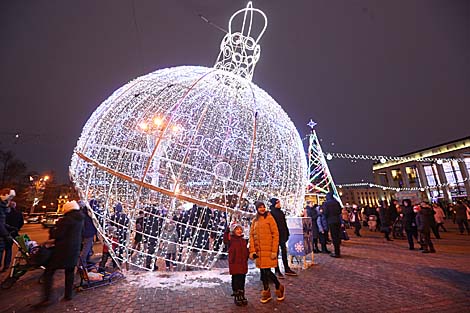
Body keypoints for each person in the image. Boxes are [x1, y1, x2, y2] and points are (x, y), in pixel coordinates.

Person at [34, 200, 84, 308]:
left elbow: (57, 235)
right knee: (69, 272)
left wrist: (53, 230)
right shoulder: (80, 219)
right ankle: (68, 295)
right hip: (74, 250)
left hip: (62, 251)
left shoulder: (66, 220)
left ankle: (47, 298)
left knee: (49, 272)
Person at [249, 201, 285, 303]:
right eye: (260, 207)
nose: (262, 209)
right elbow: (251, 236)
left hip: (268, 250)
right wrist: (252, 250)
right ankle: (266, 292)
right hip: (259, 251)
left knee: (267, 271)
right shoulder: (254, 221)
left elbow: (275, 234)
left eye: (263, 207)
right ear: (256, 209)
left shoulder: (269, 218)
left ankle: (278, 286)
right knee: (263, 272)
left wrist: (274, 250)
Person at [269, 198, 297, 277]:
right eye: (278, 203)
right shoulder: (271, 213)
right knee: (276, 253)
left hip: (282, 235)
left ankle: (286, 268)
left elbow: (284, 224)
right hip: (275, 236)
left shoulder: (281, 212)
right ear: (274, 204)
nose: (279, 204)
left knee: (284, 251)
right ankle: (277, 270)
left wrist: (287, 232)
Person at [223, 223, 249, 306]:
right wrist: (227, 229)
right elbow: (225, 239)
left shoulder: (243, 240)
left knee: (242, 279)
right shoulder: (231, 240)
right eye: (237, 229)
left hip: (242, 263)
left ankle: (242, 294)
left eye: (240, 229)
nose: (239, 231)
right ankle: (236, 295)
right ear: (233, 231)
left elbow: (246, 251)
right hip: (234, 263)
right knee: (236, 279)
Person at [1, 200, 23, 272]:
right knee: (8, 249)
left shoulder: (5, 213)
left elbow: (3, 223)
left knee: (1, 250)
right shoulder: (19, 214)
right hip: (13, 233)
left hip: (4, 233)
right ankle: (6, 265)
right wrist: (16, 229)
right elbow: (21, 223)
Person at [0, 189, 16, 272]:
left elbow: (2, 222)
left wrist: (9, 227)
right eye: (10, 197)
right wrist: (6, 234)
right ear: (5, 195)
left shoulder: (3, 207)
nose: (10, 200)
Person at [323, 191, 342, 258]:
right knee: (337, 236)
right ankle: (338, 251)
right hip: (337, 221)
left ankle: (337, 253)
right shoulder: (337, 202)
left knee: (334, 237)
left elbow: (325, 213)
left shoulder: (326, 203)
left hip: (331, 221)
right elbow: (340, 211)